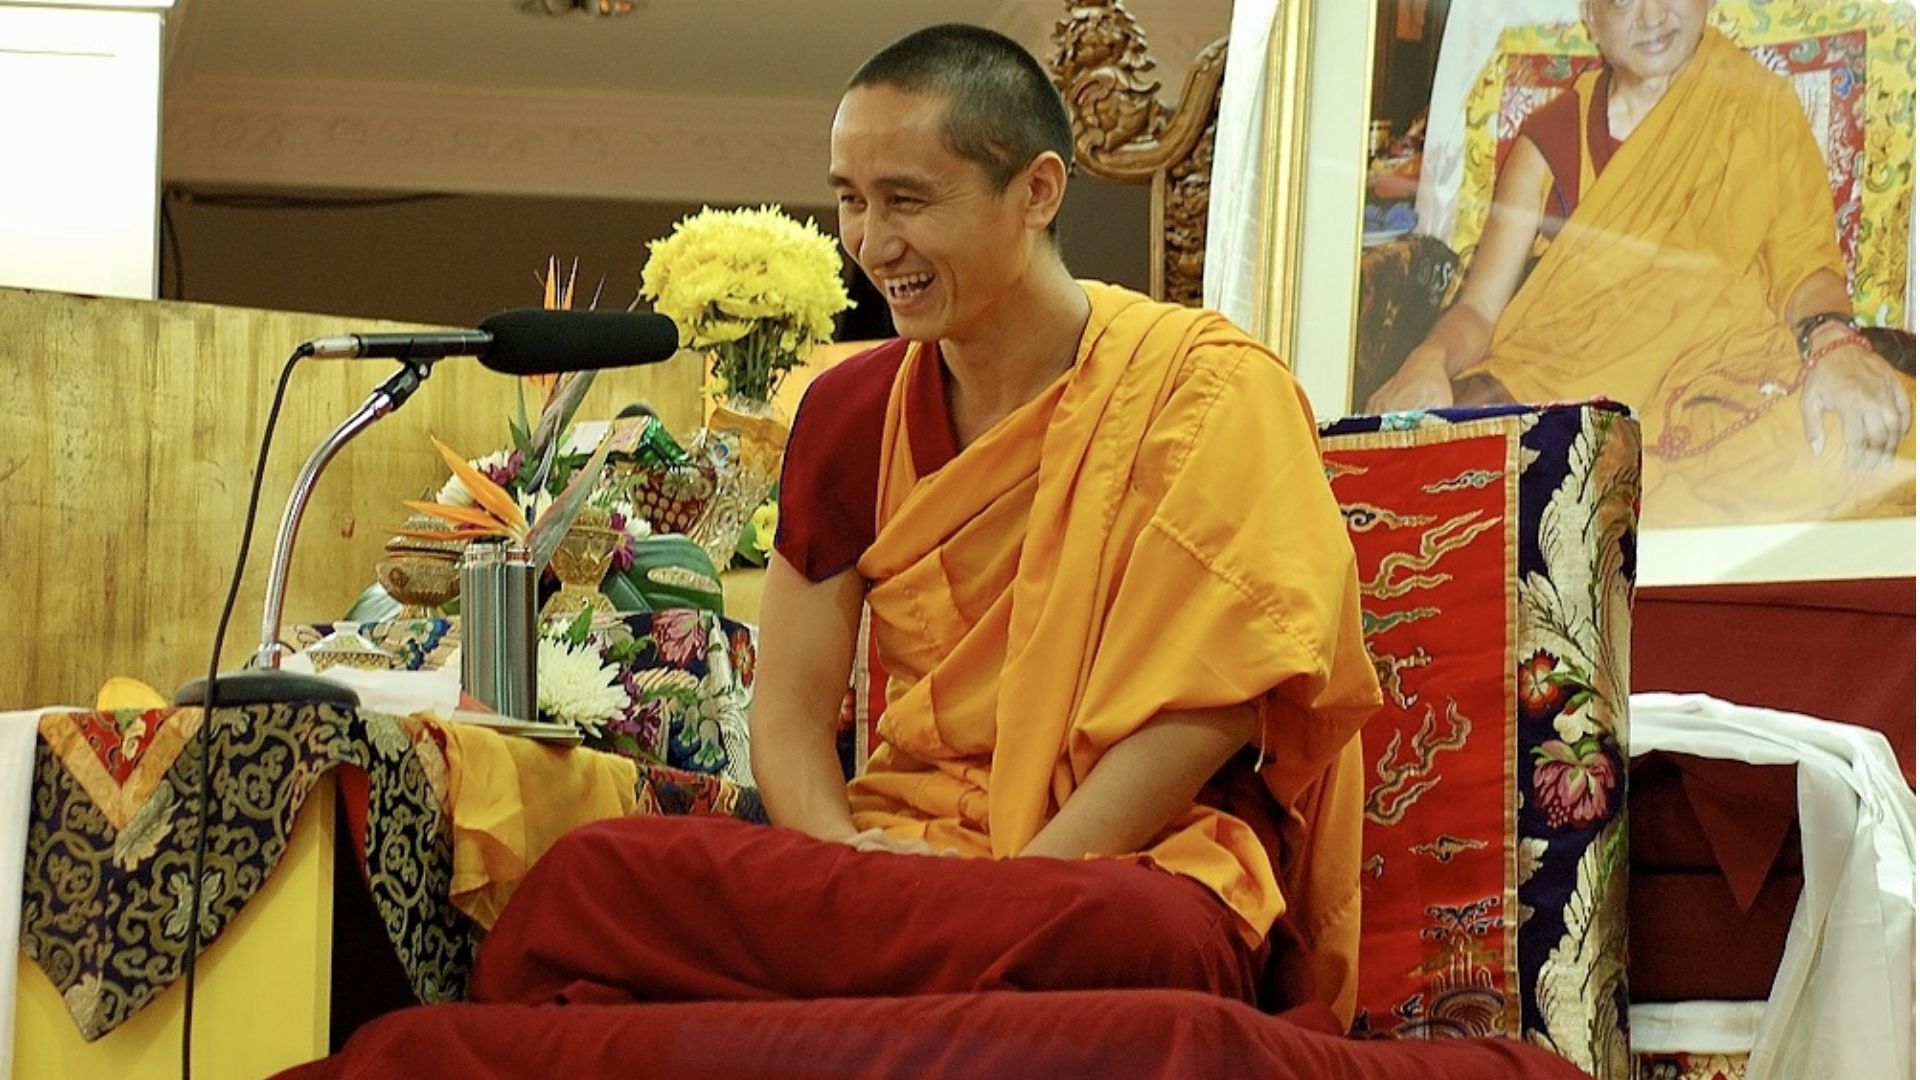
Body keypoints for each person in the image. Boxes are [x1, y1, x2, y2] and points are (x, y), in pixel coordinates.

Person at [285, 25, 1591, 1079]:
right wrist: (846, 865)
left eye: (908, 200)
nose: (872, 245)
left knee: (1147, 946)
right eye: (851, 202)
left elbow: (1209, 709)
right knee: (594, 878)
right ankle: (929, 999)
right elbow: (791, 717)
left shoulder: (1205, 390)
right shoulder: (848, 410)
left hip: (1109, 871)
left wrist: (1014, 884)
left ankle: (851, 1002)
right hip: (891, 863)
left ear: (1037, 192)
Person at [1366, 0, 1913, 527]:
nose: (1653, 17)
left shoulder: (1760, 106)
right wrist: (1427, 360)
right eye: (1623, 0)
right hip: (1573, 395)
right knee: (1436, 482)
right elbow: (1480, 310)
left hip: (1722, 381)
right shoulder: (1550, 140)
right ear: (1590, 15)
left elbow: (1805, 267)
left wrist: (1834, 346)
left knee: (1871, 435)